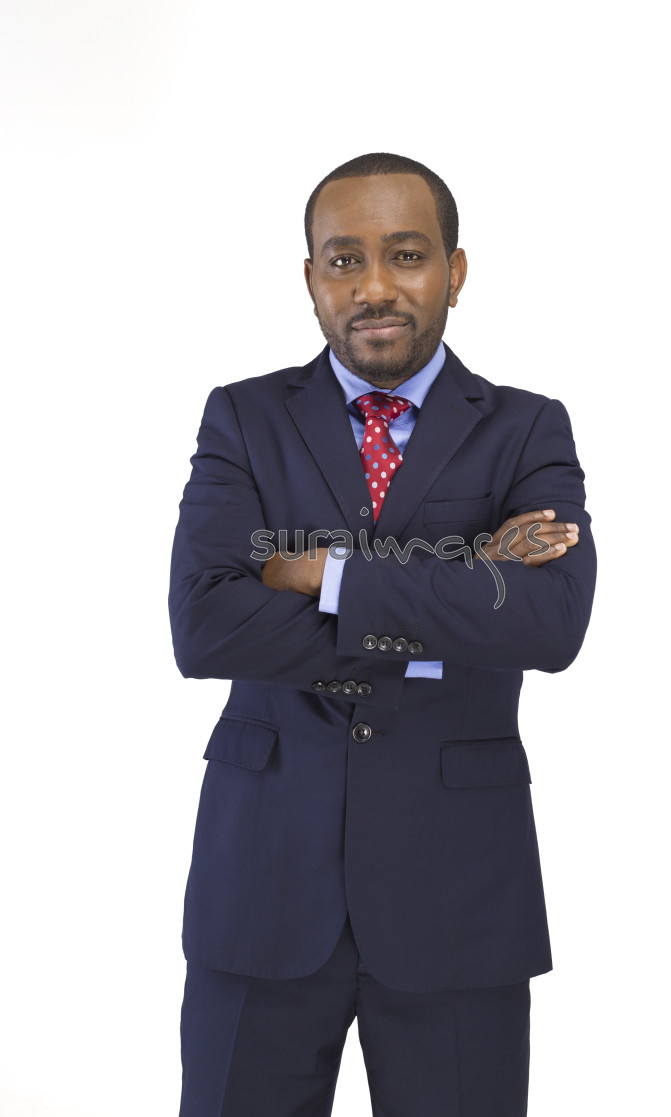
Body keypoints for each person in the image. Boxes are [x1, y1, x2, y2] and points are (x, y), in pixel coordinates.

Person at [169, 152, 597, 1116]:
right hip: (263, 882)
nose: (373, 287)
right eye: (343, 259)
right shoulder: (242, 418)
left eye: (405, 254)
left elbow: (549, 620)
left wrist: (322, 571)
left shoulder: (527, 430)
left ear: (454, 269)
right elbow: (205, 625)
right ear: (310, 277)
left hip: (459, 888)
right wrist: (464, 580)